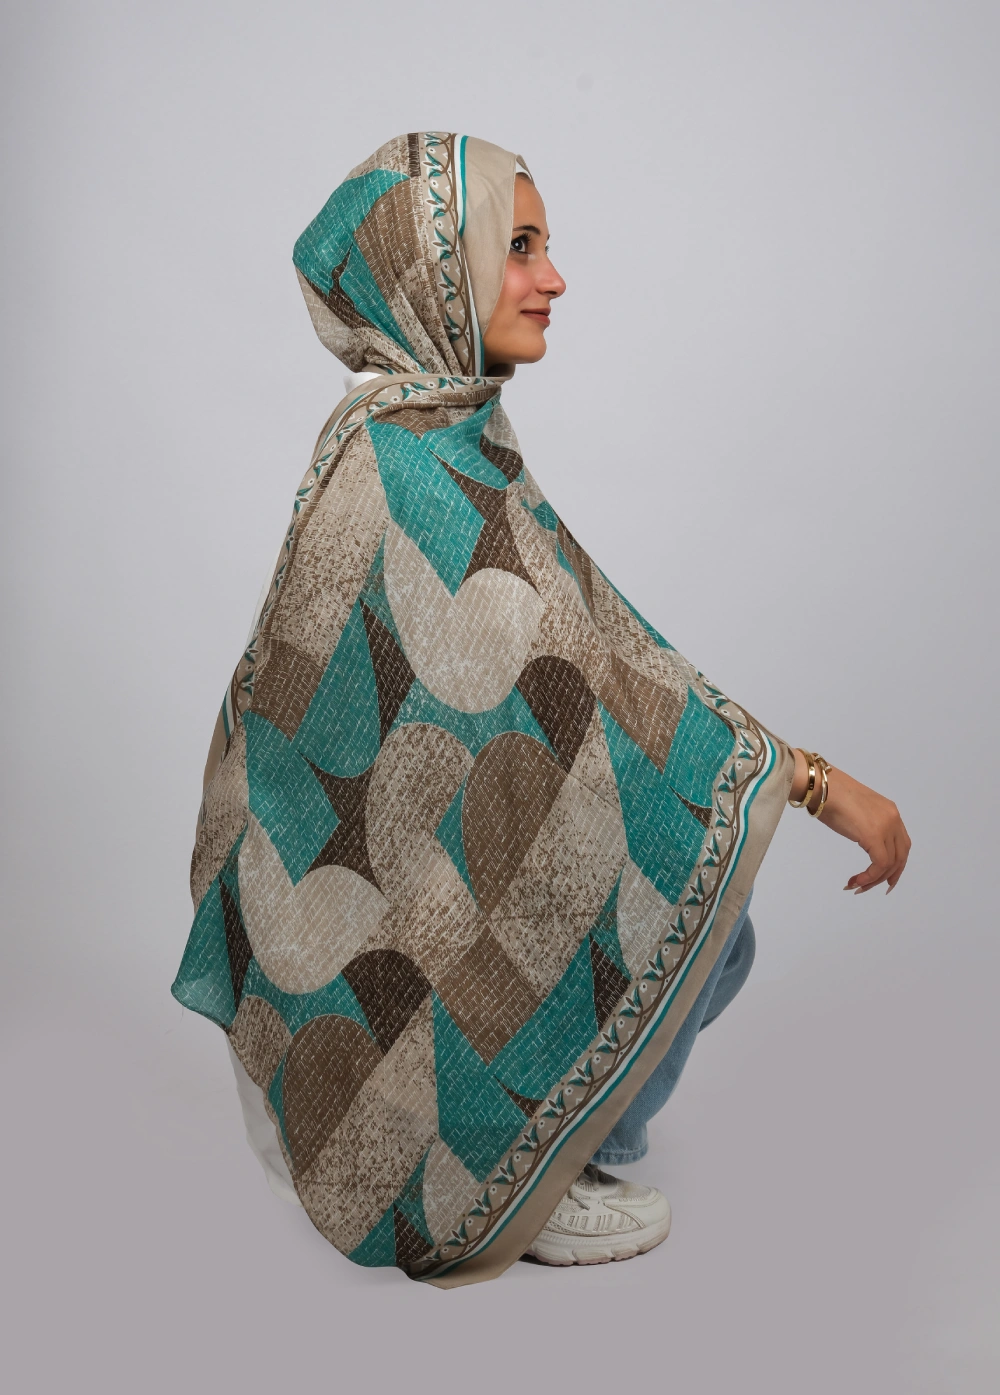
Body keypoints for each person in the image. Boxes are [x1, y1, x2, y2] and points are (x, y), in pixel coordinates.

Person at [172, 133, 910, 1287]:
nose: (551, 278)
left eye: (544, 247)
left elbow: (598, 650)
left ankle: (558, 1147)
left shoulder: (439, 429)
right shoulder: (400, 466)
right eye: (516, 247)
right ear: (433, 272)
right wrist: (811, 785)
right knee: (683, 879)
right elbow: (575, 670)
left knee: (710, 910)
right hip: (386, 886)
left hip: (437, 835)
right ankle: (518, 1176)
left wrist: (783, 778)